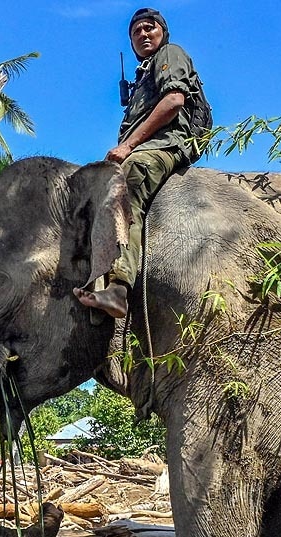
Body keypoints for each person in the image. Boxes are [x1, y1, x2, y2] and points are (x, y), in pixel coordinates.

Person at [75, 7, 211, 319]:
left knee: (128, 179)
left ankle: (119, 287)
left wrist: (129, 145)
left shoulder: (171, 54)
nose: (143, 34)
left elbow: (174, 101)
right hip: (150, 143)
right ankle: (98, 285)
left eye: (149, 28)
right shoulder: (143, 75)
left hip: (169, 142)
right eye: (136, 31)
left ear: (163, 32)